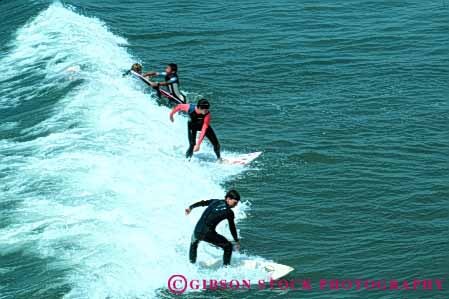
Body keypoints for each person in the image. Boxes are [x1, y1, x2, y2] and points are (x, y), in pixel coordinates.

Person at [185, 190, 241, 266]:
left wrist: (190, 207)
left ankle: (191, 265)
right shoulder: (229, 212)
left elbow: (203, 203)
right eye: (235, 203)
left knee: (194, 243)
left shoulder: (215, 201)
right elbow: (232, 227)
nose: (235, 205)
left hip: (197, 231)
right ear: (228, 199)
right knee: (228, 246)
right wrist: (236, 240)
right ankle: (226, 269)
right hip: (207, 233)